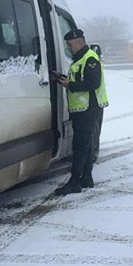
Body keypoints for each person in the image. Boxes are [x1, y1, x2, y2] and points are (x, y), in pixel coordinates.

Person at [53, 29, 109, 196]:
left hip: (88, 109)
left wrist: (69, 85)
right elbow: (80, 79)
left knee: (80, 147)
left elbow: (93, 83)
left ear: (78, 42)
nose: (68, 48)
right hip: (84, 109)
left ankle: (74, 183)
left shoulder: (90, 58)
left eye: (70, 44)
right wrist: (63, 79)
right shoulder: (81, 59)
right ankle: (86, 178)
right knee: (87, 145)